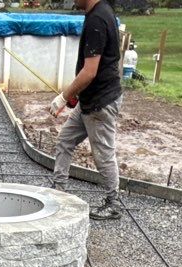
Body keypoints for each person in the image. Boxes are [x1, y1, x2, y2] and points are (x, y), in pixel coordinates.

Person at [49, 0, 123, 220]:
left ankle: (113, 203)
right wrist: (76, 96)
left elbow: (90, 71)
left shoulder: (97, 20)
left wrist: (64, 96)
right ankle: (58, 190)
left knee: (103, 155)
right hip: (89, 100)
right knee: (65, 140)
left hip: (101, 103)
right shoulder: (99, 13)